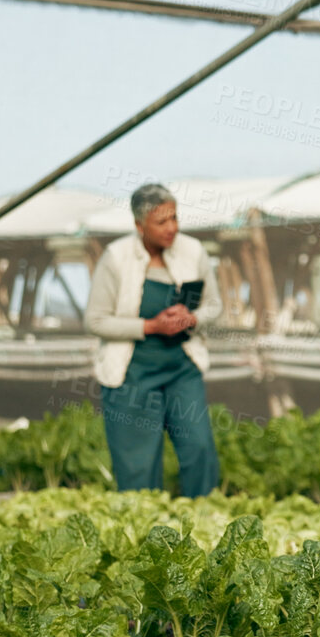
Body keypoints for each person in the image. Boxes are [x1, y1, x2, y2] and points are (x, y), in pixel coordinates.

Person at [87, 183, 222, 496]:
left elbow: (213, 306)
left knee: (199, 446)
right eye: (161, 222)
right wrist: (151, 326)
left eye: (174, 218)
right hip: (132, 373)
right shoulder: (116, 257)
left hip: (181, 368)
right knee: (138, 465)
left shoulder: (193, 251)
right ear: (139, 225)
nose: (172, 228)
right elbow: (95, 320)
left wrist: (193, 319)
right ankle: (145, 530)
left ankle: (201, 518)